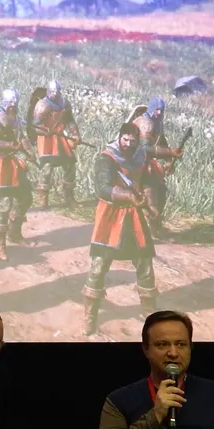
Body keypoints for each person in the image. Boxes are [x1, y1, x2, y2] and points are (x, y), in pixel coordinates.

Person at [82, 122, 159, 336]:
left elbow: (147, 181)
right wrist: (128, 196)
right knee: (99, 265)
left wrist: (150, 203)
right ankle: (90, 316)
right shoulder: (107, 158)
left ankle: (150, 314)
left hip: (135, 216)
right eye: (125, 140)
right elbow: (103, 188)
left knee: (145, 262)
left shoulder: (140, 156)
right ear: (120, 137)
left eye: (133, 141)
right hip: (111, 215)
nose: (129, 144)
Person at [0, 89, 38, 260]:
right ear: (5, 102)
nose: (13, 105)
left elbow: (21, 136)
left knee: (25, 197)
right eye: (11, 102)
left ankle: (14, 233)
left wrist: (29, 151)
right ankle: (0, 246)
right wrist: (10, 145)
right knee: (4, 204)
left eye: (15, 102)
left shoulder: (15, 117)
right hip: (0, 164)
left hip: (13, 162)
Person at [129, 97, 184, 237]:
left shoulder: (158, 123)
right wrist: (169, 152)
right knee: (149, 196)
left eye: (161, 110)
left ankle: (155, 227)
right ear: (152, 108)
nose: (159, 113)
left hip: (149, 165)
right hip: (136, 164)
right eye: (157, 109)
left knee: (160, 194)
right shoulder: (144, 123)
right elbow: (144, 149)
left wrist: (168, 160)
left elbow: (162, 142)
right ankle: (146, 230)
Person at [27, 79, 81, 209]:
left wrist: (75, 134)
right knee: (47, 168)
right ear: (48, 91)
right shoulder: (42, 105)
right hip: (47, 140)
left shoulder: (64, 103)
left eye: (57, 91)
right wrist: (45, 131)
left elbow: (70, 121)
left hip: (60, 138)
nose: (55, 94)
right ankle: (43, 199)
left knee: (70, 165)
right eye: (52, 91)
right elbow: (35, 126)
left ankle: (68, 197)